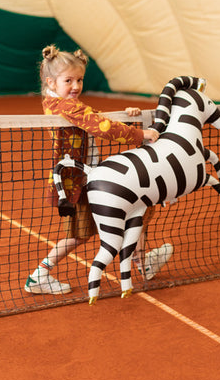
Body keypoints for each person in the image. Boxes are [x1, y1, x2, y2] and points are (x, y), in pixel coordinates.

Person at [24, 44, 171, 295]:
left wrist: (124, 116)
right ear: (51, 81)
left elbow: (92, 116)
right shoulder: (64, 107)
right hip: (78, 182)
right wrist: (140, 133)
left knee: (137, 211)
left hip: (91, 176)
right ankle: (39, 275)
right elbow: (99, 126)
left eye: (79, 79)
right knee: (81, 235)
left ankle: (142, 262)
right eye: (68, 80)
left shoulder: (60, 103)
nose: (75, 86)